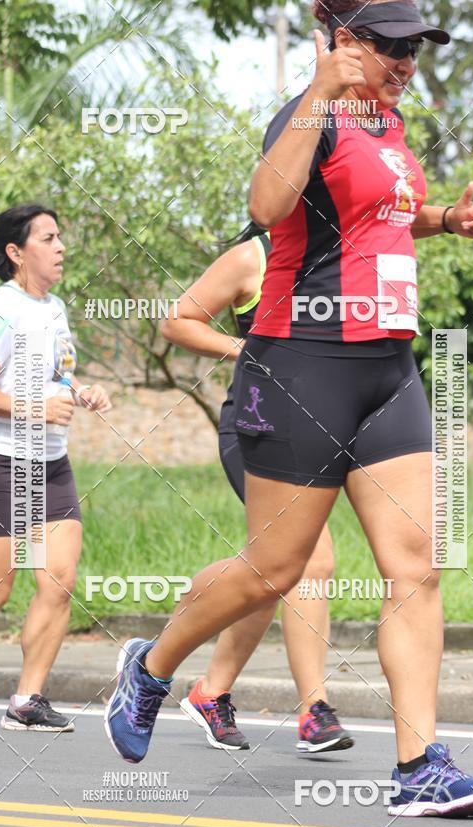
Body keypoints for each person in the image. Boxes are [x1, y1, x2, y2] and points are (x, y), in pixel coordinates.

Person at [105, 0, 473, 818]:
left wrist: (445, 221)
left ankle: (420, 766)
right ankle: (150, 666)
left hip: (388, 369)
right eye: (390, 47)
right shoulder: (310, 114)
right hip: (301, 366)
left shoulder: (389, 127)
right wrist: (321, 91)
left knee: (416, 567)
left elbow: (377, 221)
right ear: (346, 42)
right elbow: (267, 206)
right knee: (274, 570)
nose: (405, 64)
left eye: (415, 50)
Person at [161, 225, 353, 753]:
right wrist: (247, 349)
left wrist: (450, 219)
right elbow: (177, 320)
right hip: (256, 426)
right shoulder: (255, 256)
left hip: (314, 429)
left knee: (273, 568)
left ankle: (208, 687)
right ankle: (315, 711)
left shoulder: (344, 253)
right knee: (309, 560)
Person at [0, 204, 111, 732]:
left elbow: (56, 375)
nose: (61, 247)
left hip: (50, 467)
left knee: (58, 581)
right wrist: (33, 408)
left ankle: (26, 701)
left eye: (61, 236)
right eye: (49, 238)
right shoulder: (3, 307)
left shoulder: (54, 306)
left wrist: (81, 391)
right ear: (17, 253)